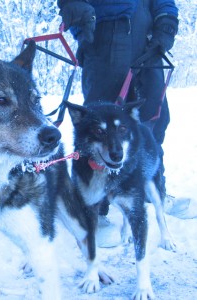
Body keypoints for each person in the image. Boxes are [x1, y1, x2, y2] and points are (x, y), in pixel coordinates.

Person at [57, 0, 180, 246]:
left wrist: (166, 20)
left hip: (146, 35)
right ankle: (93, 206)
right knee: (96, 122)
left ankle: (147, 185)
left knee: (152, 118)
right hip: (106, 32)